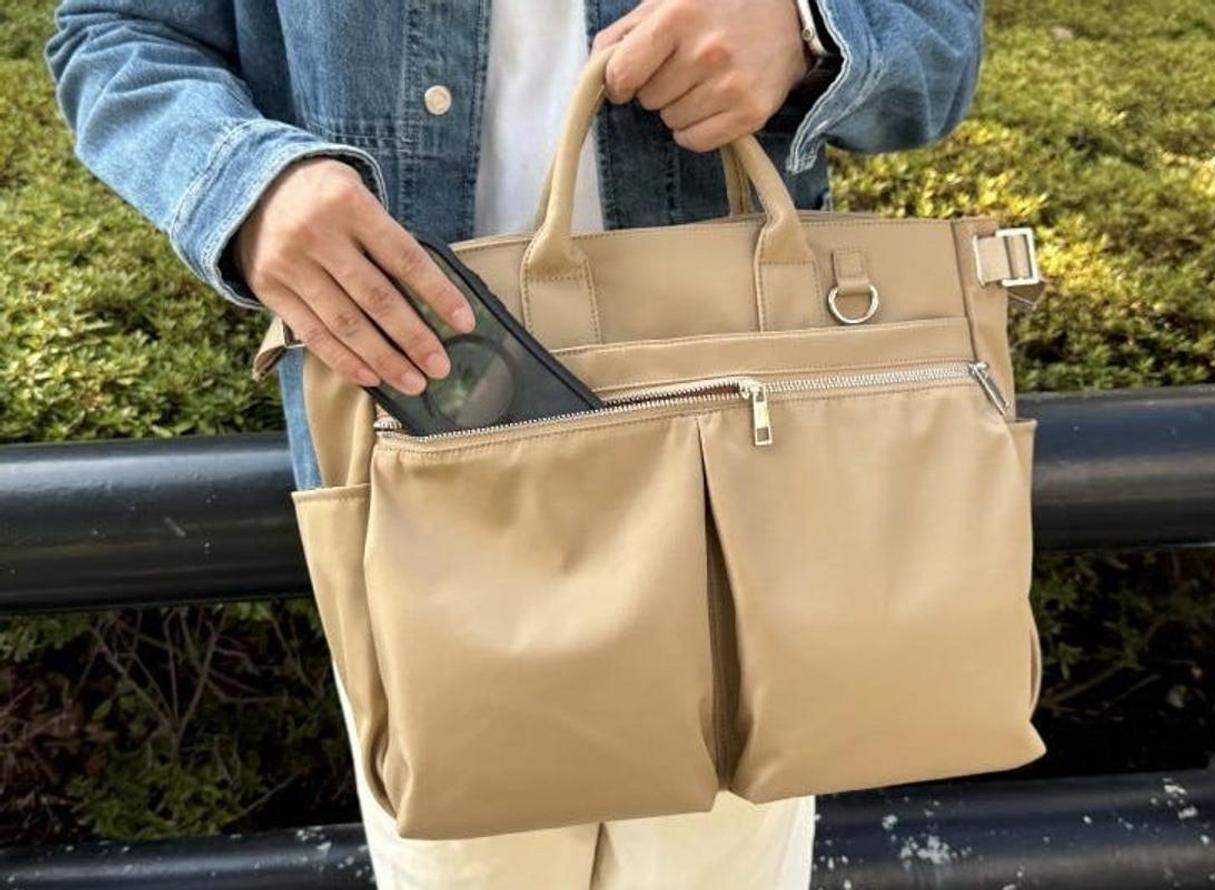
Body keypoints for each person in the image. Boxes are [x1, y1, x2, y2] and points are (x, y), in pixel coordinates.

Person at [46, 1, 984, 886]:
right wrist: (246, 185)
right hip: (421, 457)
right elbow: (117, 32)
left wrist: (805, 28)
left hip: (742, 481)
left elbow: (938, 41)